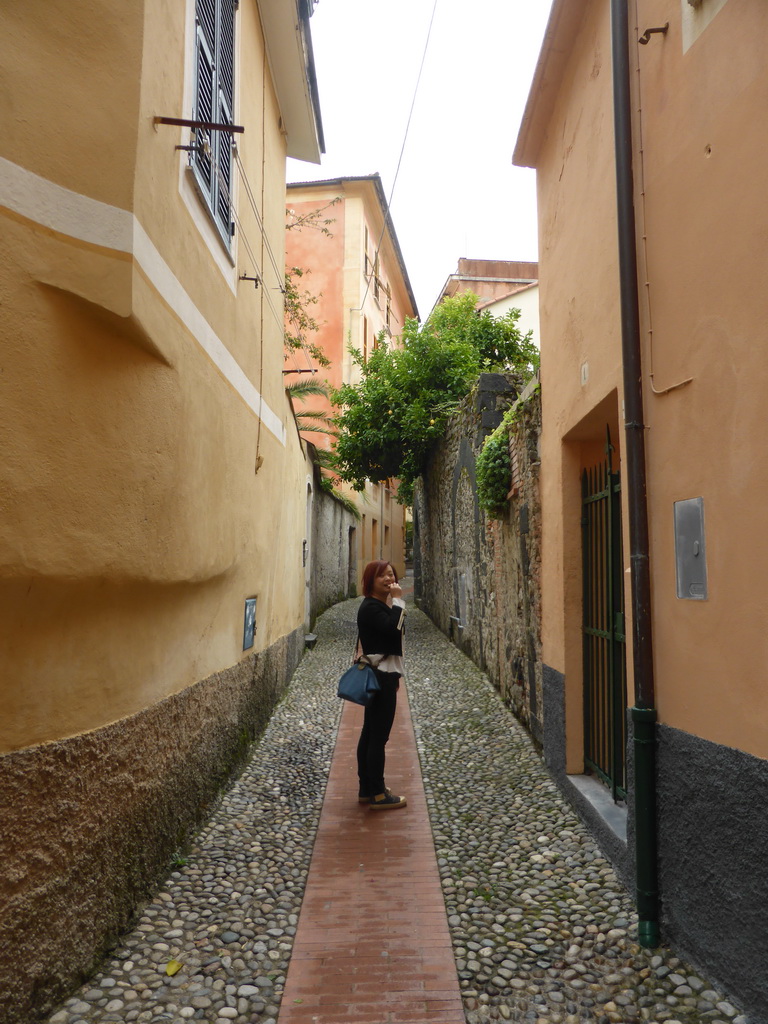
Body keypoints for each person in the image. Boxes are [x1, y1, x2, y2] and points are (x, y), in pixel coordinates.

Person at [355, 560, 408, 810]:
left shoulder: (376, 606)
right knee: (378, 737)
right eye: (382, 577)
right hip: (381, 676)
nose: (389, 579)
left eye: (391, 574)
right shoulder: (371, 608)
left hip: (385, 674)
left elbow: (391, 636)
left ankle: (367, 788)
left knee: (369, 734)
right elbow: (392, 629)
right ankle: (377, 793)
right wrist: (399, 600)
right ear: (371, 581)